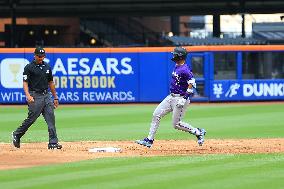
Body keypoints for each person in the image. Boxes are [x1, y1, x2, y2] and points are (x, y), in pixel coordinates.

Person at [135, 47, 206, 148]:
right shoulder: (177, 65)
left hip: (180, 99)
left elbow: (192, 83)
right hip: (171, 97)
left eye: (175, 54)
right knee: (156, 114)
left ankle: (198, 132)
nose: (173, 55)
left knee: (176, 124)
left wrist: (184, 98)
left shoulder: (185, 69)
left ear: (180, 56)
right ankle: (149, 140)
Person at [12, 47, 62, 149]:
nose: (41, 58)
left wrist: (55, 97)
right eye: (39, 56)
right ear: (34, 55)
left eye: (42, 56)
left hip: (46, 95)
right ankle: (17, 134)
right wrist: (28, 95)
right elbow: (25, 82)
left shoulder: (47, 67)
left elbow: (51, 82)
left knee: (51, 118)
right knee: (32, 119)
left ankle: (53, 142)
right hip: (35, 95)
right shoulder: (29, 67)